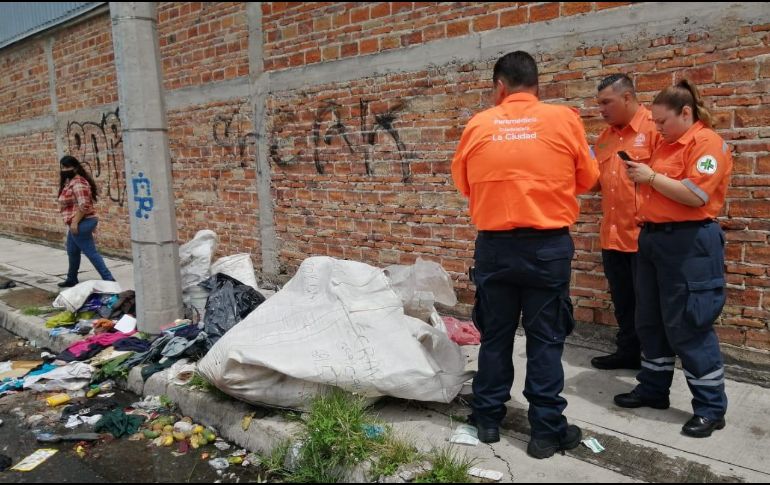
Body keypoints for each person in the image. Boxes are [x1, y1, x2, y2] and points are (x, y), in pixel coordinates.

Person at [451, 51, 599, 458]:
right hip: (547, 249)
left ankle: (486, 420)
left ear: (500, 86)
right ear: (537, 84)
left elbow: (464, 183)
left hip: (495, 249)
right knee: (546, 339)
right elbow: (588, 178)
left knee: (495, 336)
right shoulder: (564, 119)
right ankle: (546, 432)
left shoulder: (479, 124)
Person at [616, 79, 732, 438]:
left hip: (690, 244)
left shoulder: (707, 144)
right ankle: (653, 388)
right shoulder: (666, 144)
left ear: (686, 113)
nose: (659, 129)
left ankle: (711, 408)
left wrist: (650, 177)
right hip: (654, 240)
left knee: (689, 325)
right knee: (649, 320)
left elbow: (696, 195)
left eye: (663, 122)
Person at [591, 74, 662, 370]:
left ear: (628, 98)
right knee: (623, 301)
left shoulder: (656, 129)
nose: (602, 110)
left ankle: (655, 363)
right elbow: (594, 182)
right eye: (599, 104)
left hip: (644, 235)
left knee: (649, 306)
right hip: (613, 235)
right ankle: (628, 352)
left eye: (607, 102)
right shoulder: (605, 137)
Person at [57, 155, 115, 287]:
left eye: (67, 167)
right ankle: (71, 278)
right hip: (78, 222)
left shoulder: (78, 183)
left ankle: (109, 279)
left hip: (82, 222)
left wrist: (75, 222)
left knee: (91, 252)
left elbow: (84, 205)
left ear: (76, 167)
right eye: (62, 167)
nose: (64, 170)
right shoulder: (70, 182)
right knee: (72, 251)